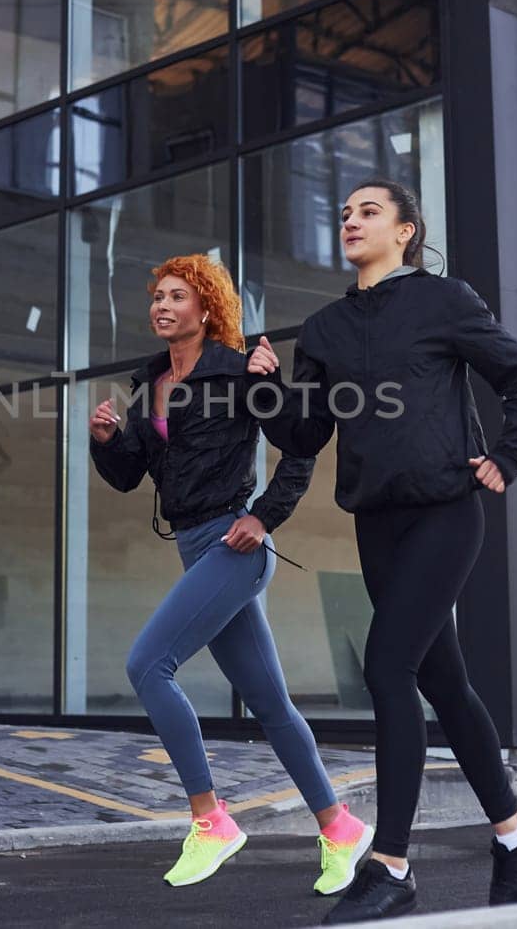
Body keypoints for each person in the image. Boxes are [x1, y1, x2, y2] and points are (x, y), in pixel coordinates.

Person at [251, 179, 517, 922]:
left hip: (447, 513)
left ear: (406, 232)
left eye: (369, 211)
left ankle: (390, 864)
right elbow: (305, 434)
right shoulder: (323, 330)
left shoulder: (445, 300)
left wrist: (509, 456)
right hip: (377, 522)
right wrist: (265, 392)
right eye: (345, 210)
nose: (350, 219)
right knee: (445, 687)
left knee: (388, 665)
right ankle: (516, 832)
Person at [89, 253, 373, 895]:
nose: (162, 306)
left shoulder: (240, 369)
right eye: (156, 296)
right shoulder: (152, 380)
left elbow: (300, 447)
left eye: (177, 296)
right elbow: (131, 473)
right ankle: (338, 825)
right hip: (193, 545)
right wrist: (107, 440)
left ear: (206, 308)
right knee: (271, 704)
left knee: (147, 665)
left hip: (234, 544)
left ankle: (210, 819)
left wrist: (265, 517)